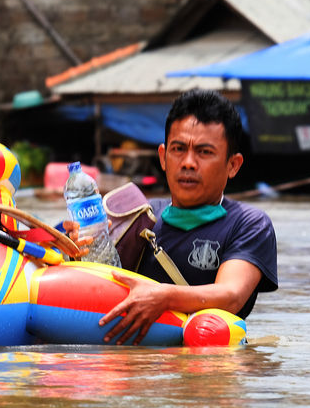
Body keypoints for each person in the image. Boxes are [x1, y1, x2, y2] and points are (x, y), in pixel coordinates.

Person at [97, 89, 278, 344]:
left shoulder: (249, 225)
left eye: (204, 152)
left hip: (209, 366)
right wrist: (79, 242)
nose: (188, 163)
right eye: (178, 149)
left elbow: (231, 294)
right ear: (163, 156)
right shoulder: (134, 216)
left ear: (233, 165)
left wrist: (164, 297)